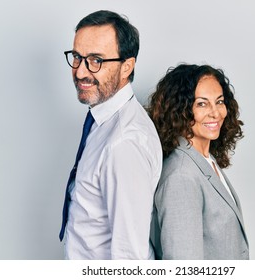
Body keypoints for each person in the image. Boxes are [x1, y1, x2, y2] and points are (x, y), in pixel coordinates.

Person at [59, 10, 162, 259]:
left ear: (127, 67)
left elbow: (129, 258)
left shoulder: (124, 143)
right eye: (77, 57)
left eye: (96, 60)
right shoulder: (102, 120)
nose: (81, 72)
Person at [148, 64, 249, 259]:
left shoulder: (204, 160)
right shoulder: (182, 176)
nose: (215, 113)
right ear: (180, 109)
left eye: (219, 102)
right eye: (202, 104)